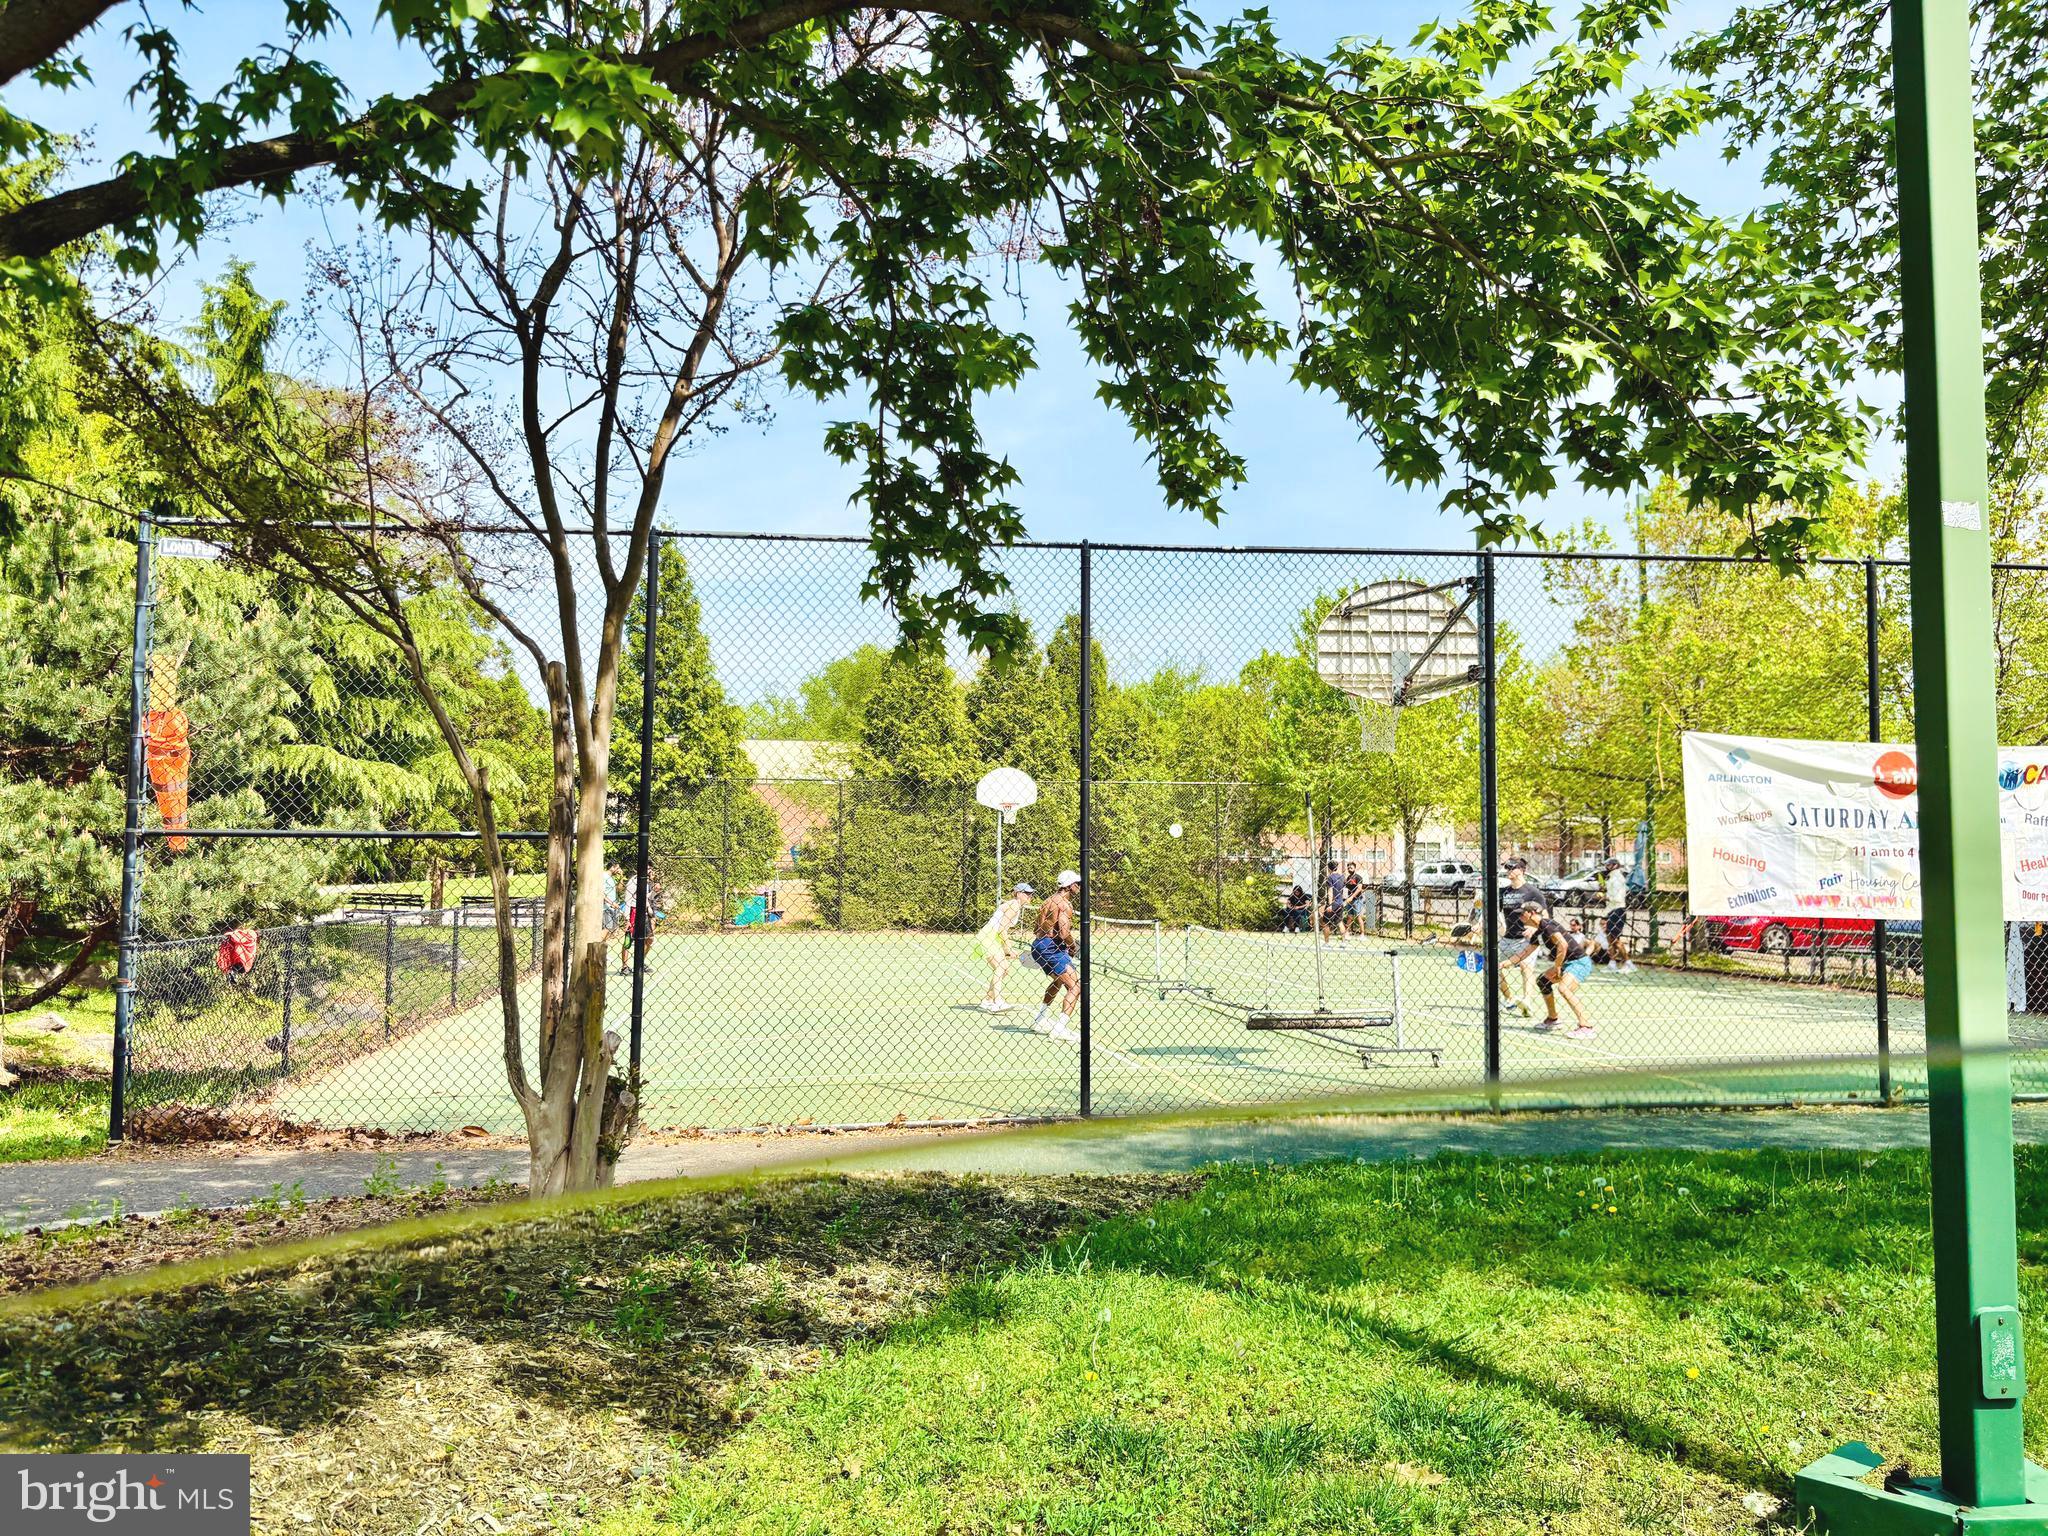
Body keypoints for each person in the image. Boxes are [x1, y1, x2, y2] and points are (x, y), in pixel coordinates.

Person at [1522, 903, 1594, 1037]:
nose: (1519, 917)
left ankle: (1586, 1027)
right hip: (1567, 963)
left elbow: (1563, 944)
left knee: (1564, 989)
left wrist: (1557, 967)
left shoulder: (1547, 925)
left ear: (1531, 913)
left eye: (1522, 913)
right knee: (1543, 981)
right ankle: (1553, 1019)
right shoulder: (1539, 932)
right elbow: (1523, 954)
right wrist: (1503, 964)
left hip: (1579, 962)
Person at [1029, 871, 1083, 1041]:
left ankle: (1039, 1019)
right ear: (1069, 886)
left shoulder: (1048, 900)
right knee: (1075, 986)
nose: (1079, 887)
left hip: (1038, 945)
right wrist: (1072, 946)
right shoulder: (1064, 905)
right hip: (1051, 947)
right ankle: (1059, 1028)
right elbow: (1064, 931)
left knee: (1059, 980)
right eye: (1077, 883)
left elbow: (1036, 927)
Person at [1496, 858, 1550, 1018]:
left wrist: (1534, 928)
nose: (1508, 870)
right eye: (1507, 868)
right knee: (1493, 967)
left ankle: (1527, 1001)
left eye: (1511, 867)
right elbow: (1492, 912)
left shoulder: (1532, 892)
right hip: (1507, 938)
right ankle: (1510, 999)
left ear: (1521, 870)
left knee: (1526, 967)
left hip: (1526, 940)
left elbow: (1545, 916)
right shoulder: (1503, 892)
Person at [974, 882, 1034, 1012]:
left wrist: (1006, 948)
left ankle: (987, 1000)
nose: (1030, 896)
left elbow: (1001, 929)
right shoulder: (1014, 905)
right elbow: (1001, 929)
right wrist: (1008, 949)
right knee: (1001, 967)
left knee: (1005, 969)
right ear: (1018, 894)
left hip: (992, 937)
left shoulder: (1015, 905)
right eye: (1027, 893)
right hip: (988, 936)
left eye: (1031, 893)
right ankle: (998, 1002)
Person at [1601, 857, 1636, 972]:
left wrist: (1604, 896)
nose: (1606, 867)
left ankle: (1628, 962)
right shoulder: (1612, 878)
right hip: (1611, 910)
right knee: (1610, 938)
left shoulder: (1617, 879)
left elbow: (1617, 897)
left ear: (1615, 865)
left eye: (1609, 865)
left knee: (1615, 939)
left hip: (1618, 909)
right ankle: (1612, 963)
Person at [1322, 861, 1346, 939]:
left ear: (1329, 868)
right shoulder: (1342, 877)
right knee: (1339, 922)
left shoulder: (1330, 877)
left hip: (1333, 903)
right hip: (1340, 902)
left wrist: (1329, 905)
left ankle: (1326, 942)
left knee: (1326, 923)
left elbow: (1330, 891)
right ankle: (1343, 942)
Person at [1342, 862, 1367, 938]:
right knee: (1349, 917)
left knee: (1359, 917)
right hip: (1350, 900)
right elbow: (1345, 887)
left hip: (1357, 899)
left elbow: (1359, 889)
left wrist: (1352, 897)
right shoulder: (1348, 878)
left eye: (1351, 868)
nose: (1349, 869)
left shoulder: (1358, 877)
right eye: (1348, 868)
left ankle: (1362, 934)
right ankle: (1347, 933)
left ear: (1355, 868)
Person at [602, 864, 622, 938]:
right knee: (607, 929)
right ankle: (598, 946)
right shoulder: (604, 876)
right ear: (612, 867)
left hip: (612, 907)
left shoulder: (611, 878)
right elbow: (601, 893)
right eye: (617, 868)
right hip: (605, 908)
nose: (619, 870)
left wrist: (621, 877)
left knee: (609, 930)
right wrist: (612, 903)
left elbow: (619, 889)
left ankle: (601, 947)